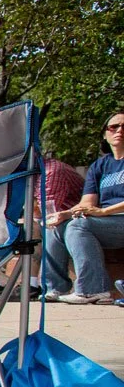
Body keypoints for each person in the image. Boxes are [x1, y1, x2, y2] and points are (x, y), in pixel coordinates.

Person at [44, 110, 124, 304]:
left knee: (78, 226)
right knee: (56, 226)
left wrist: (104, 211)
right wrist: (64, 213)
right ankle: (55, 288)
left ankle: (94, 290)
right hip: (105, 223)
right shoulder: (100, 166)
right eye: (114, 127)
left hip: (117, 218)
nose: (119, 130)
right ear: (105, 133)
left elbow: (97, 210)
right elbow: (87, 203)